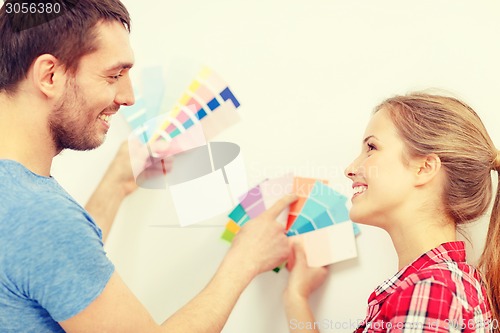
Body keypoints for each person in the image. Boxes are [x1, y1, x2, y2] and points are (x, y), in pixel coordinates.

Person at [0, 1, 296, 332]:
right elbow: (47, 237)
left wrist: (115, 183)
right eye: (114, 75)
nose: (128, 97)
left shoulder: (20, 203)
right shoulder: (41, 217)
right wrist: (245, 261)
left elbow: (43, 260)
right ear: (50, 75)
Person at [284, 93, 499, 332]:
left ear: (424, 168)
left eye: (371, 147)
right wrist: (296, 296)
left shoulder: (431, 292)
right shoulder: (441, 286)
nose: (350, 169)